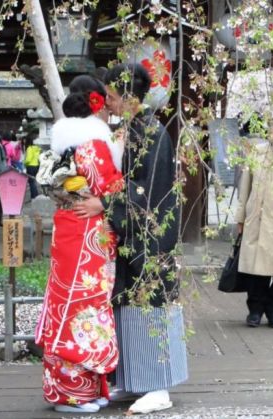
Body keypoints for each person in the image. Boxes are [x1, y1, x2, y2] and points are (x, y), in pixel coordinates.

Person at [73, 64, 188, 414]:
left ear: (128, 97)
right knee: (129, 304)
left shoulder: (150, 132)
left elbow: (146, 189)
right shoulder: (137, 129)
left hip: (151, 235)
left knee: (149, 305)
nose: (107, 102)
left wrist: (104, 204)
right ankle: (136, 379)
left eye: (111, 95)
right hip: (135, 232)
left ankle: (158, 386)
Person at [35, 75, 124, 413]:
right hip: (88, 234)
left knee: (67, 305)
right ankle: (75, 394)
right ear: (97, 103)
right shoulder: (95, 145)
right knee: (84, 308)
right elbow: (114, 188)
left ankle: (82, 389)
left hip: (68, 231)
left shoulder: (61, 144)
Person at [235, 120, 273, 328]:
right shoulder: (257, 151)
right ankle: (255, 309)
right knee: (256, 266)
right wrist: (241, 217)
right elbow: (245, 186)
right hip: (258, 215)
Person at [24, 133, 41, 199]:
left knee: (31, 182)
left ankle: (34, 196)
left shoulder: (29, 148)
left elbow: (28, 159)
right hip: (36, 166)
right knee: (34, 181)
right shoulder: (38, 148)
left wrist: (24, 163)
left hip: (30, 166)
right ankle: (36, 194)